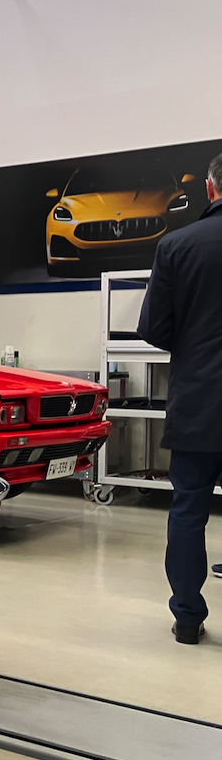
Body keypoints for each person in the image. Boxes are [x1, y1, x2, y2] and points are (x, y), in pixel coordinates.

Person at [137, 151, 222, 645]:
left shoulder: (176, 245)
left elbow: (154, 327)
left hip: (198, 402)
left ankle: (188, 618)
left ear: (210, 189)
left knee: (189, 510)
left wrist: (192, 345)